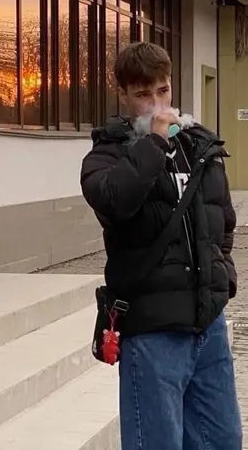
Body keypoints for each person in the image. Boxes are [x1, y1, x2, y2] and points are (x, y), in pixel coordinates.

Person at [80, 42, 242, 450]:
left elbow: (222, 219)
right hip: (152, 333)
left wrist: (223, 276)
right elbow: (116, 200)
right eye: (143, 94)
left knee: (222, 440)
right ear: (123, 94)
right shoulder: (107, 155)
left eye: (163, 91)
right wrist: (154, 144)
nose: (156, 105)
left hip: (207, 326)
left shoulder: (199, 146)